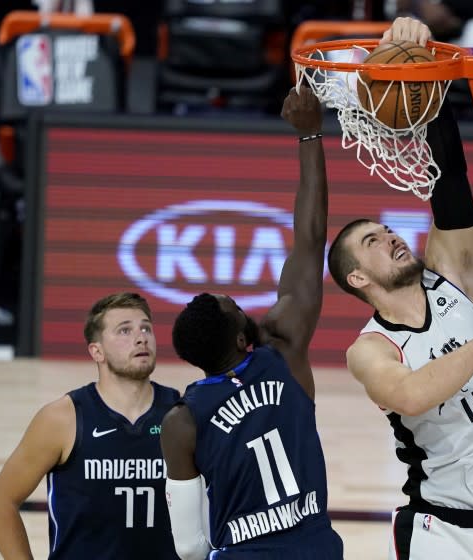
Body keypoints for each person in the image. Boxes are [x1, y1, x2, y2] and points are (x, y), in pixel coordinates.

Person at [325, 17, 473, 559]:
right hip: (443, 535)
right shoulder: (371, 349)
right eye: (373, 241)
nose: (392, 238)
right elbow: (413, 394)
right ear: (358, 278)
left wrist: (430, 74)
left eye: (389, 230)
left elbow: (453, 190)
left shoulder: (451, 281)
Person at [160, 85, 343, 560]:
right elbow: (310, 237)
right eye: (238, 305)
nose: (249, 308)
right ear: (244, 338)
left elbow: (188, 545)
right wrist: (309, 137)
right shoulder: (282, 350)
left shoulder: (182, 420)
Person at [0, 292, 180, 559]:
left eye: (146, 327)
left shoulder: (180, 412)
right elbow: (0, 503)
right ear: (96, 351)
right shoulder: (62, 418)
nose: (141, 337)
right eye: (124, 330)